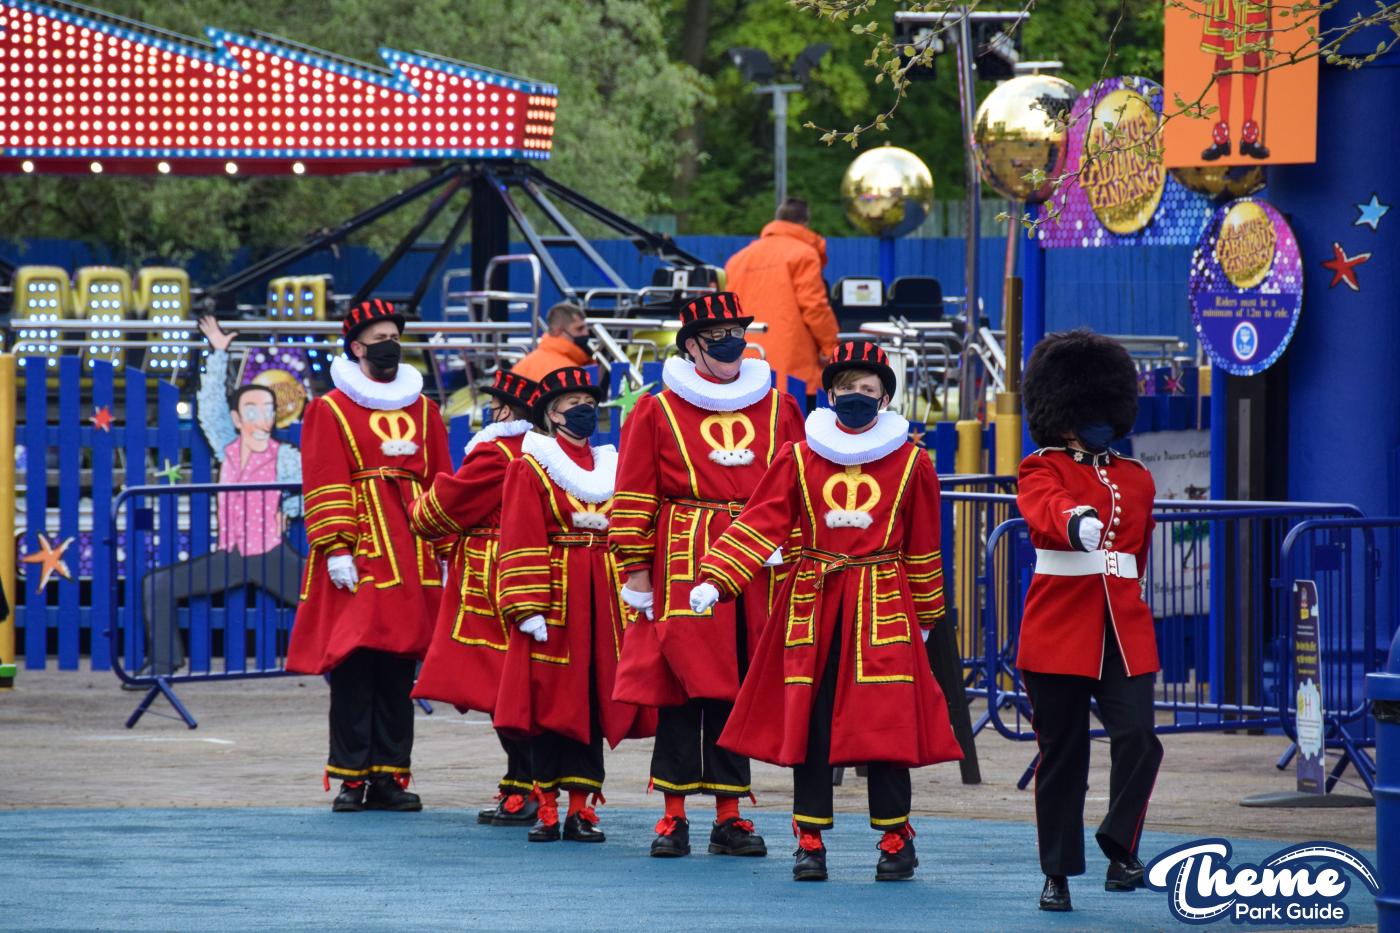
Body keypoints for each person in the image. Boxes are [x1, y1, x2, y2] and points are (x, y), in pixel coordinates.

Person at [689, 340, 963, 883]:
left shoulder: (912, 462)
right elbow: (761, 520)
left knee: (885, 726)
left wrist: (929, 616)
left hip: (881, 605)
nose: (855, 397)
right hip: (811, 606)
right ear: (829, 394)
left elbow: (926, 547)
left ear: (884, 396)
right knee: (809, 725)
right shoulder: (798, 455)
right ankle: (809, 841)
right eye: (846, 389)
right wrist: (717, 579)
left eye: (867, 389)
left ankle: (894, 840)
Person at [610, 291, 805, 859]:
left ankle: (729, 814)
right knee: (677, 686)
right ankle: (672, 816)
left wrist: (783, 547)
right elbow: (634, 495)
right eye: (716, 334)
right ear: (692, 346)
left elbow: (798, 490)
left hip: (756, 568)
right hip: (679, 560)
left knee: (738, 685)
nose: (730, 342)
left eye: (735, 331)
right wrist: (636, 573)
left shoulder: (780, 408)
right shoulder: (656, 410)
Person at [1015, 329, 1163, 912]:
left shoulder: (1137, 477)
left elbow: (1136, 556)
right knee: (1063, 755)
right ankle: (1057, 872)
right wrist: (1074, 521)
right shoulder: (1041, 466)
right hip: (1059, 626)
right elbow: (1044, 508)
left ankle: (1119, 844)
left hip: (1122, 627)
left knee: (1140, 739)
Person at [286, 299, 453, 813]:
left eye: (394, 336)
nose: (390, 345)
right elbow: (324, 477)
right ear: (356, 347)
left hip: (412, 553)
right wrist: (336, 546)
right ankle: (351, 777)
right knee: (356, 663)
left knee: (400, 668)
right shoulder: (330, 408)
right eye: (379, 338)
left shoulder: (423, 409)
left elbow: (442, 479)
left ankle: (390, 776)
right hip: (360, 552)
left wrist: (446, 545)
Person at [492, 366, 652, 844]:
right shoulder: (529, 465)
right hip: (554, 601)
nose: (583, 410)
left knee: (590, 700)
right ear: (550, 415)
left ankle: (582, 808)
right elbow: (519, 534)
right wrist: (526, 605)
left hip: (601, 603)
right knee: (548, 701)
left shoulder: (612, 464)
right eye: (571, 403)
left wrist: (635, 585)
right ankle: (545, 805)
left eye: (589, 401)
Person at [136, 316, 303, 680]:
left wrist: (290, 508)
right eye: (253, 411)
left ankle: (368, 661)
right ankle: (164, 663)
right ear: (237, 418)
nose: (263, 419)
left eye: (269, 411)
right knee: (157, 583)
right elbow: (210, 407)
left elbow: (313, 490)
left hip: (271, 554)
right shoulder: (227, 448)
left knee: (332, 596)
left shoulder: (286, 456)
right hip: (231, 555)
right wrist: (219, 354)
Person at [408, 369, 541, 827]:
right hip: (539, 573)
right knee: (527, 685)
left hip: (493, 579)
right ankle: (529, 783)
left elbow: (448, 506)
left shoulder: (497, 452)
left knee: (501, 688)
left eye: (495, 404)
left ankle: (525, 786)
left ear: (507, 411)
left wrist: (418, 509)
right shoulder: (546, 451)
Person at [723, 197, 839, 398]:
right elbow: (814, 308)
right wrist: (831, 349)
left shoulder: (737, 260)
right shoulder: (805, 255)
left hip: (743, 367)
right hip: (792, 372)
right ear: (804, 223)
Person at [1199, 0, 1270, 160]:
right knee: (1223, 64)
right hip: (1226, 5)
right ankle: (1222, 138)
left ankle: (1249, 137)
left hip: (1252, 5)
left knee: (1251, 61)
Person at [510, 302, 592, 381]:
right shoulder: (570, 373)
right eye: (579, 329)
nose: (586, 333)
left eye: (586, 328)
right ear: (558, 332)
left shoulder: (522, 365)